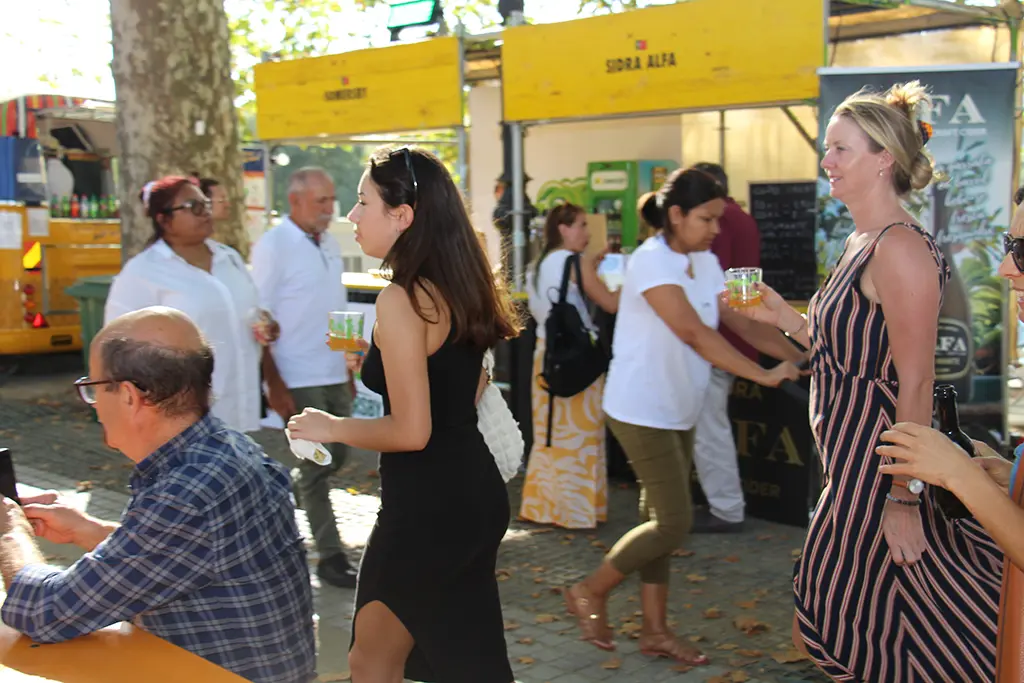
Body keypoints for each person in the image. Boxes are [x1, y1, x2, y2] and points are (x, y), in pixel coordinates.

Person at [731, 81, 1002, 680]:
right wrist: (781, 316)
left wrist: (903, 497)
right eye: (828, 149)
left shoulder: (899, 248)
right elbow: (848, 351)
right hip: (849, 461)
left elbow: (916, 379)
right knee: (864, 620)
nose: (825, 162)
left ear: (883, 160)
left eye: (839, 149)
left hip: (879, 467)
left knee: (862, 620)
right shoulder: (860, 240)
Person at [288, 146, 518, 683]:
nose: (351, 215)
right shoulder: (463, 283)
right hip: (473, 495)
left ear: (403, 215)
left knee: (372, 662)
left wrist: (331, 426)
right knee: (465, 657)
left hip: (427, 507)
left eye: (362, 201)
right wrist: (384, 364)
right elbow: (470, 384)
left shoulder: (401, 299)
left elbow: (413, 431)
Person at [563, 168, 803, 664]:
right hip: (640, 408)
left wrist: (802, 354)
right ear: (675, 215)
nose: (717, 229)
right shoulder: (652, 261)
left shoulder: (705, 261)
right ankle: (591, 589)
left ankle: (654, 631)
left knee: (658, 522)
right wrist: (760, 375)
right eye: (707, 218)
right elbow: (694, 332)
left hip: (680, 407)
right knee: (672, 524)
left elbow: (739, 321)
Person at [0, 307, 316, 683]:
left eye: (93, 388)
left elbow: (46, 613)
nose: (94, 405)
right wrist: (89, 531)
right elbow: (185, 557)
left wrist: (10, 533)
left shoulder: (186, 491)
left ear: (130, 396)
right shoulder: (224, 449)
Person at [104, 175, 288, 434]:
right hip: (179, 416)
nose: (206, 213)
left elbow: (250, 318)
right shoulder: (142, 272)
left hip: (238, 404)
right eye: (194, 207)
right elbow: (116, 347)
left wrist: (266, 329)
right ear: (163, 219)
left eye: (206, 204)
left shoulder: (230, 259)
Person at [251, 167, 358, 590]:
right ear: (295, 201)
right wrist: (272, 379)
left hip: (332, 369)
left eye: (332, 200)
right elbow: (257, 315)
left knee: (341, 455)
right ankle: (330, 557)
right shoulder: (274, 245)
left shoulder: (328, 241)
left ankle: (285, 498)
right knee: (317, 464)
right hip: (296, 372)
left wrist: (347, 361)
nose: (331, 210)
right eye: (322, 202)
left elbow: (339, 303)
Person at [519, 203, 619, 529]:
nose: (587, 233)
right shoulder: (574, 262)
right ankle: (578, 511)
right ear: (563, 228)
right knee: (582, 436)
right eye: (581, 225)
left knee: (550, 435)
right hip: (579, 361)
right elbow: (610, 302)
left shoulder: (540, 263)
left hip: (546, 356)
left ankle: (546, 507)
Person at [690, 161, 762, 533]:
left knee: (709, 430)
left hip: (717, 341)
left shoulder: (716, 224)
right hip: (735, 336)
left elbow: (711, 288)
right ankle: (725, 504)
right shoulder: (744, 218)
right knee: (713, 427)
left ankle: (726, 508)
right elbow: (742, 291)